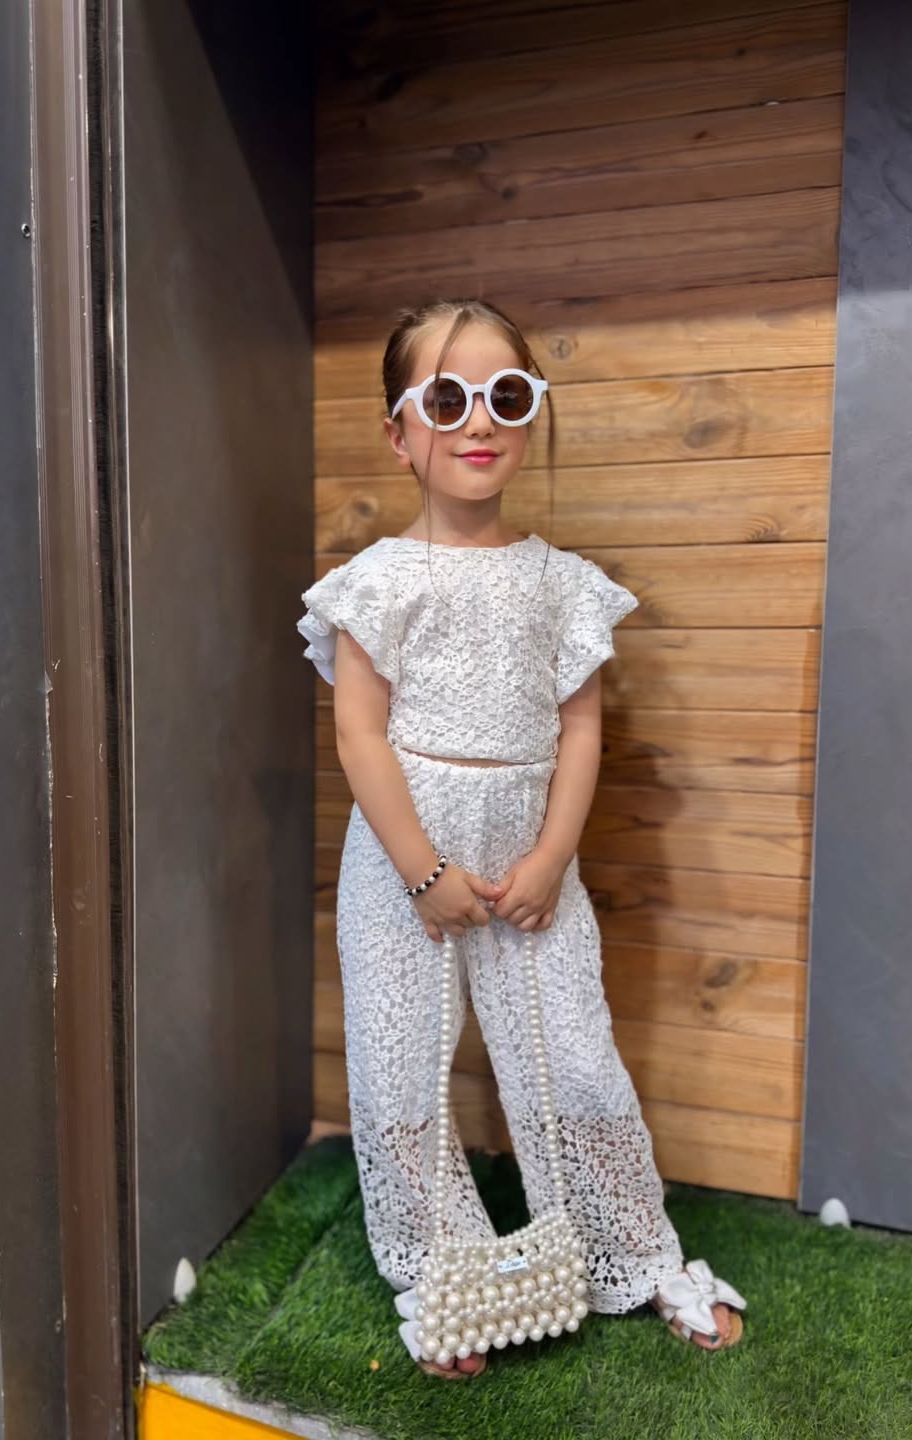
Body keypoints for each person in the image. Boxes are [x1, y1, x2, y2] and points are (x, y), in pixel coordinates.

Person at [297, 298, 747, 1379]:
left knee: (576, 1057)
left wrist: (549, 859)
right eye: (447, 398)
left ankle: (633, 1252)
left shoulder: (560, 582)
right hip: (404, 860)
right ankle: (439, 1275)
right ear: (399, 432)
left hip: (534, 852)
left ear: (533, 412)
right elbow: (359, 735)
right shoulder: (376, 582)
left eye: (506, 395)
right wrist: (425, 871)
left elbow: (581, 730)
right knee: (401, 1070)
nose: (479, 421)